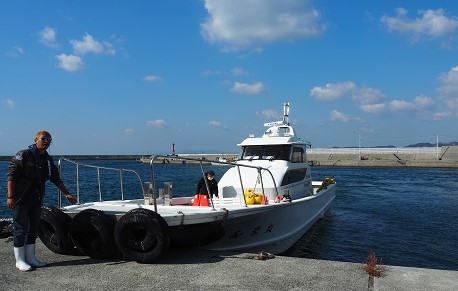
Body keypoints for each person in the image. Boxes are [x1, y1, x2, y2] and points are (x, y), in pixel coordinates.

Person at [6, 130, 77, 271]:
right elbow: (12, 176)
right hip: (21, 197)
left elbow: (55, 178)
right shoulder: (23, 155)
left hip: (36, 198)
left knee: (33, 229)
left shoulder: (47, 160)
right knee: (20, 228)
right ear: (35, 139)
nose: (46, 141)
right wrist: (10, 196)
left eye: (49, 140)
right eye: (43, 138)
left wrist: (67, 194)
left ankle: (31, 258)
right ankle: (20, 260)